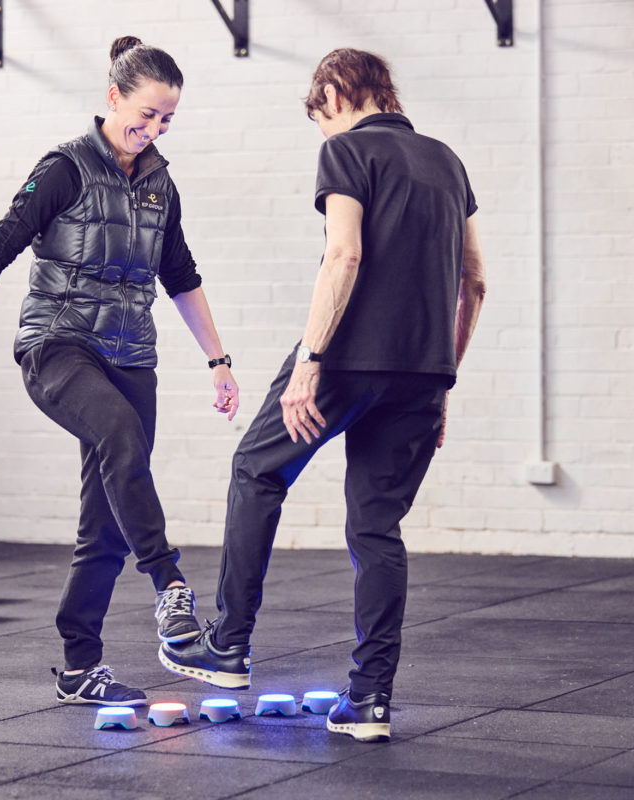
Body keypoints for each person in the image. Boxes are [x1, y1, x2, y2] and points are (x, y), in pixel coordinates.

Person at [160, 48, 486, 742]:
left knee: (256, 468)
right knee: (376, 529)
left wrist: (310, 360)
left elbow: (344, 254)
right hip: (422, 376)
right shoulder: (449, 162)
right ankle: (369, 702)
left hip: (344, 361)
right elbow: (476, 282)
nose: (323, 132)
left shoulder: (347, 153)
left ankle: (227, 648)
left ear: (336, 92)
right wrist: (442, 378)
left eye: (320, 117)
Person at [0, 36, 240, 708]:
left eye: (166, 119)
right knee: (120, 438)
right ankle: (171, 589)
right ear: (112, 98)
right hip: (59, 344)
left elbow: (182, 276)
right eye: (144, 115)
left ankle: (81, 665)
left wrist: (218, 361)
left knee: (107, 520)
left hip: (132, 354)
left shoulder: (161, 184)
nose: (153, 129)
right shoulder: (65, 167)